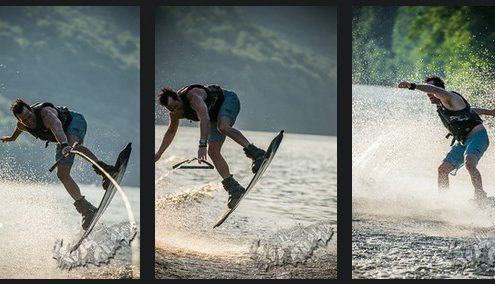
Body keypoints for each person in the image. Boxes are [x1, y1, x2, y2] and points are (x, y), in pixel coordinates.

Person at [1, 99, 118, 229]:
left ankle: (107, 171)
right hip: (61, 140)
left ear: (31, 109)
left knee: (75, 147)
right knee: (62, 174)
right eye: (24, 120)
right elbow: (19, 128)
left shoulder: (45, 114)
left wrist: (64, 145)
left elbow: (57, 129)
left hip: (74, 122)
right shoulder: (23, 124)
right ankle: (87, 209)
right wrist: (12, 138)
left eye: (29, 116)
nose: (29, 121)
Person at [155, 84, 266, 208]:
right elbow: (171, 131)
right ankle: (234, 189)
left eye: (175, 106)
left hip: (228, 100)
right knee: (213, 152)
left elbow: (204, 118)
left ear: (178, 98)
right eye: (171, 109)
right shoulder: (175, 113)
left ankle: (257, 154)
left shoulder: (193, 97)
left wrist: (202, 145)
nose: (175, 111)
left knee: (223, 127)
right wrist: (159, 153)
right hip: (213, 117)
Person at [398, 76, 495, 205]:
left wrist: (412, 85)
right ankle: (444, 202)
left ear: (439, 90)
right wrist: (491, 112)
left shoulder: (450, 97)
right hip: (462, 141)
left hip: (477, 136)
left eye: (431, 91)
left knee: (469, 163)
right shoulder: (444, 105)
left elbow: (433, 89)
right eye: (427, 92)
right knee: (442, 170)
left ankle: (480, 196)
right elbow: (471, 111)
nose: (428, 94)